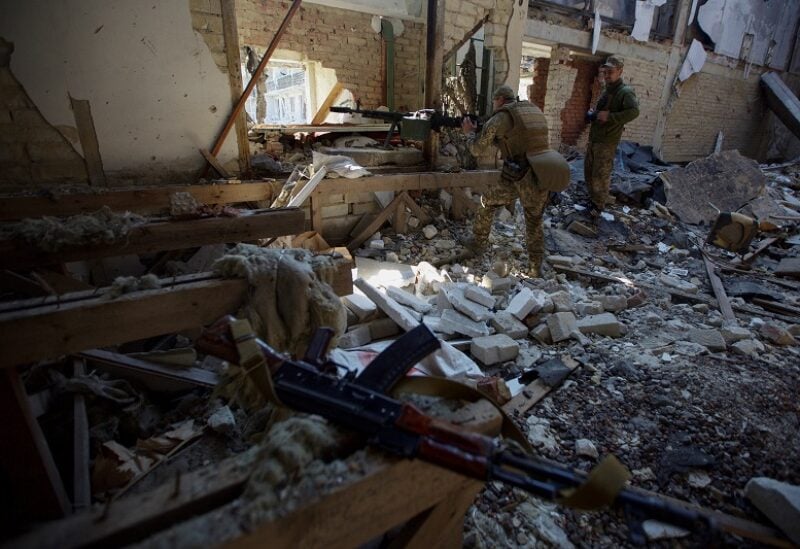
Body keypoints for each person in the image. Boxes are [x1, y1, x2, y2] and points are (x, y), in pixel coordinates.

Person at [462, 85, 569, 277]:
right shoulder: (532, 109)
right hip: (543, 171)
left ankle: (478, 244)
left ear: (500, 100)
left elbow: (477, 149)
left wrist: (469, 132)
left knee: (487, 202)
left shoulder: (501, 117)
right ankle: (535, 267)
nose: (494, 105)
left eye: (494, 102)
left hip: (521, 174)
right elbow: (519, 139)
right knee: (534, 220)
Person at [584, 55, 640, 218]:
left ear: (620, 71)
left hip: (607, 141)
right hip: (595, 138)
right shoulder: (607, 90)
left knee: (600, 175)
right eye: (605, 72)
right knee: (589, 171)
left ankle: (598, 205)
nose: (607, 75)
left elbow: (634, 112)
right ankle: (592, 200)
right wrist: (593, 115)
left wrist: (610, 117)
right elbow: (601, 111)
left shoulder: (625, 92)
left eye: (611, 72)